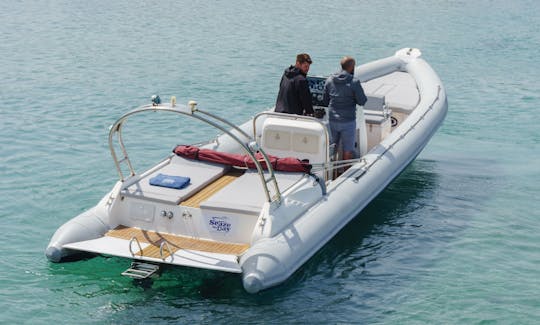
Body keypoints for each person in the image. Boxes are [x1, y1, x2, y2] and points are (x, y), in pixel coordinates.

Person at [323, 56, 367, 162]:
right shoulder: (354, 82)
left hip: (333, 120)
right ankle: (346, 172)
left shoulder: (329, 80)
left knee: (332, 148)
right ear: (352, 67)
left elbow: (325, 101)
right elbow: (362, 101)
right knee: (348, 151)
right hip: (348, 121)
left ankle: (332, 174)